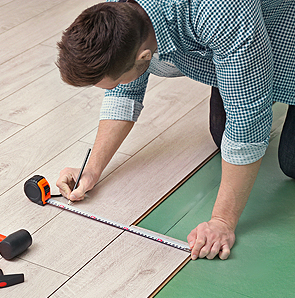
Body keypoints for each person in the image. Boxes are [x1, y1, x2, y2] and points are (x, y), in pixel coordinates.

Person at [55, 0, 294, 260]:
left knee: (290, 161)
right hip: (241, 39)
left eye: (113, 84)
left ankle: (251, 73)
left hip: (283, 28)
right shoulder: (123, 13)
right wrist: (91, 169)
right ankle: (242, 72)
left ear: (145, 56)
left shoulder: (222, 14)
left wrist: (222, 222)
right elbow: (125, 90)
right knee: (222, 134)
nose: (113, 89)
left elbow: (248, 122)